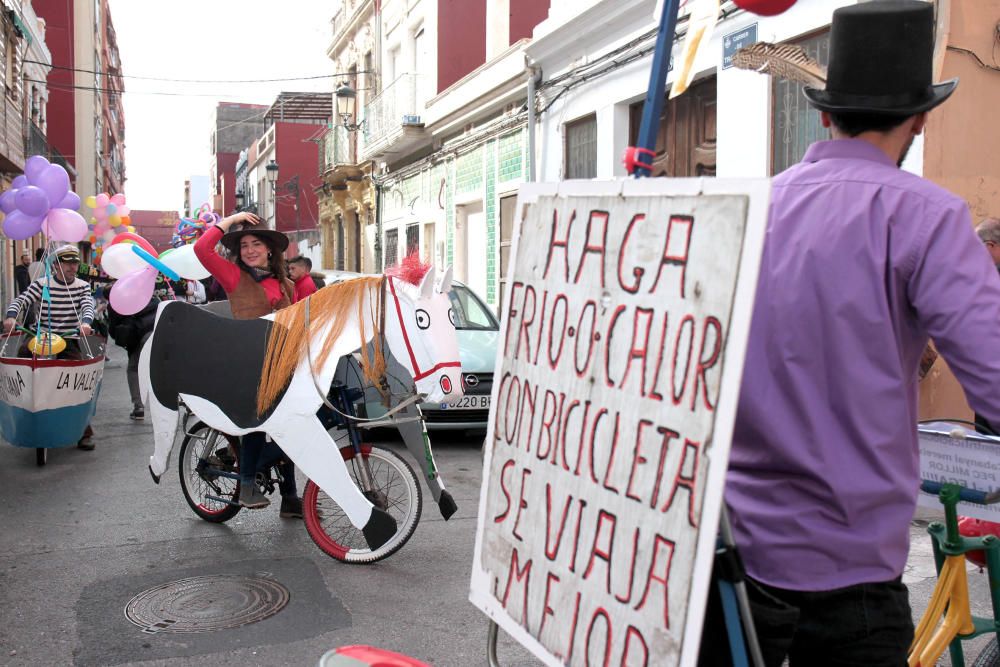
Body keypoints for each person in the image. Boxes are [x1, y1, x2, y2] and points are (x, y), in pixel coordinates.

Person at [698, 3, 1000, 665]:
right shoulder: (927, 217)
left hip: (727, 569)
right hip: (848, 587)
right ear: (920, 117)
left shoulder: (752, 208)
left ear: (826, 114)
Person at [193, 210, 302, 518]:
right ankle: (247, 481)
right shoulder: (233, 276)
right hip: (247, 364)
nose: (250, 250)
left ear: (270, 249)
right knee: (257, 423)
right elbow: (202, 249)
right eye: (244, 246)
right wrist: (232, 219)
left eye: (256, 243)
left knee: (295, 423)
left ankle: (290, 496)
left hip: (279, 363)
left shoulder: (287, 286)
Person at [3, 244, 98, 450]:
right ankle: (22, 414)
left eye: (75, 263)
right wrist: (11, 317)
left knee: (78, 380)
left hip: (69, 337)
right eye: (68, 264)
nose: (73, 267)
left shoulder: (82, 286)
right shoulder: (42, 284)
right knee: (21, 365)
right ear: (56, 265)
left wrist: (86, 323)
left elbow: (87, 305)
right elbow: (22, 300)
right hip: (42, 338)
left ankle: (84, 430)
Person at [107, 295, 159, 421]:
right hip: (158, 332)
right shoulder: (152, 298)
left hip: (140, 336)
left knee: (134, 369)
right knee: (165, 368)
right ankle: (185, 402)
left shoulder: (117, 303)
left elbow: (114, 330)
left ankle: (139, 407)